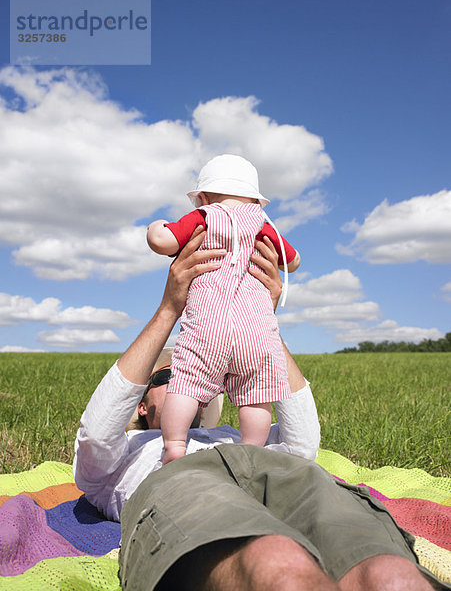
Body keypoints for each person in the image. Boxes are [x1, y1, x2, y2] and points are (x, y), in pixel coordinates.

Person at [73, 228, 444, 591]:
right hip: (180, 481)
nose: (190, 379)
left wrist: (262, 323)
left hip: (271, 474)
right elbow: (96, 433)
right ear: (141, 403)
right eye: (170, 374)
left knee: (391, 574)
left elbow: (302, 446)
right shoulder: (124, 456)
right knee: (278, 566)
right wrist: (170, 308)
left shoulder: (233, 435)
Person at [146, 154, 301, 463]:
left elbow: (163, 241)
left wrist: (155, 226)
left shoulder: (203, 217)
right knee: (257, 394)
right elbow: (292, 261)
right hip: (255, 330)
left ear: (202, 197)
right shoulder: (262, 226)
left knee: (187, 384)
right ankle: (253, 454)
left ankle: (175, 445)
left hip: (207, 326)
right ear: (256, 201)